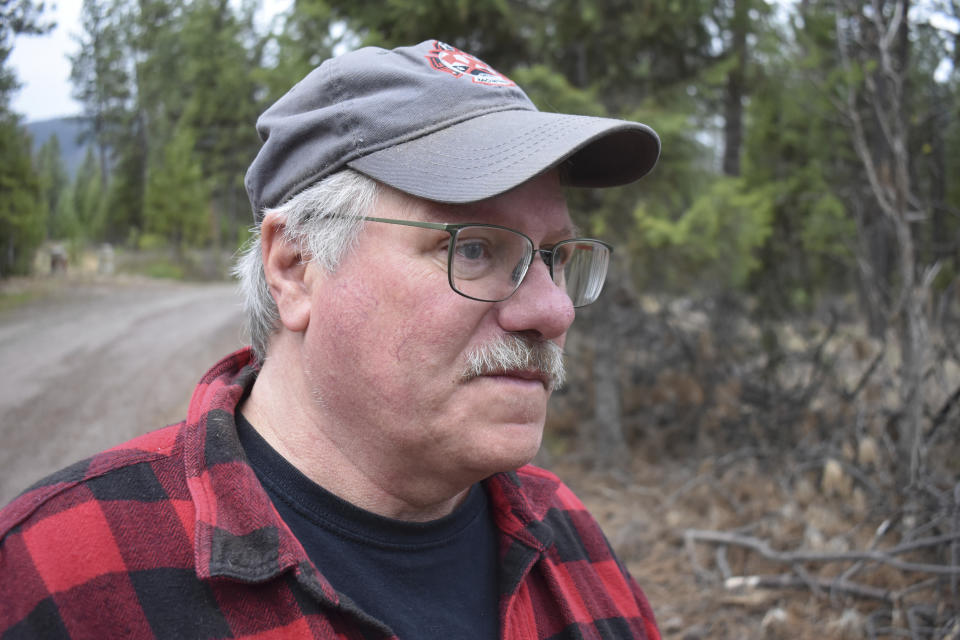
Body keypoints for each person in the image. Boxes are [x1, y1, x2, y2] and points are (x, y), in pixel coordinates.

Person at [0, 40, 661, 639]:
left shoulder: (570, 543)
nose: (552, 309)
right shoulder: (63, 574)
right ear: (295, 266)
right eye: (476, 248)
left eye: (556, 256)